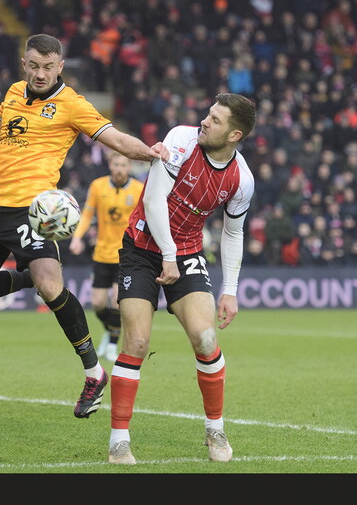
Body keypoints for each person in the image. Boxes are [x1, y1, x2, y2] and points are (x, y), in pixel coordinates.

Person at [0, 33, 169, 419]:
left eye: (48, 67)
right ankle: (25, 278)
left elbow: (113, 138)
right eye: (33, 65)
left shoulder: (71, 104)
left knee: (52, 285)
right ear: (24, 63)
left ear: (60, 67)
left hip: (32, 209)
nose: (40, 73)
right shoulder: (15, 92)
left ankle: (93, 372)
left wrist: (148, 151)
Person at [107, 93, 256, 464]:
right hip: (142, 247)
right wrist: (167, 256)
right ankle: (119, 440)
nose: (205, 121)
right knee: (137, 341)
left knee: (206, 338)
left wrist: (230, 291)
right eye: (208, 114)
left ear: (235, 135)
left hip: (187, 254)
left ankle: (215, 430)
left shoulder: (242, 180)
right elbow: (155, 200)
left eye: (216, 120)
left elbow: (233, 234)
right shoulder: (179, 140)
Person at [69, 151, 144, 364]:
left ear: (129, 167)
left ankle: (112, 343)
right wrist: (77, 238)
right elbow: (87, 214)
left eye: (124, 164)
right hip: (102, 253)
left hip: (127, 254)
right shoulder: (98, 186)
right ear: (110, 165)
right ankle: (110, 332)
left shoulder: (138, 189)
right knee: (99, 303)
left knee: (117, 302)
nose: (120, 168)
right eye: (116, 164)